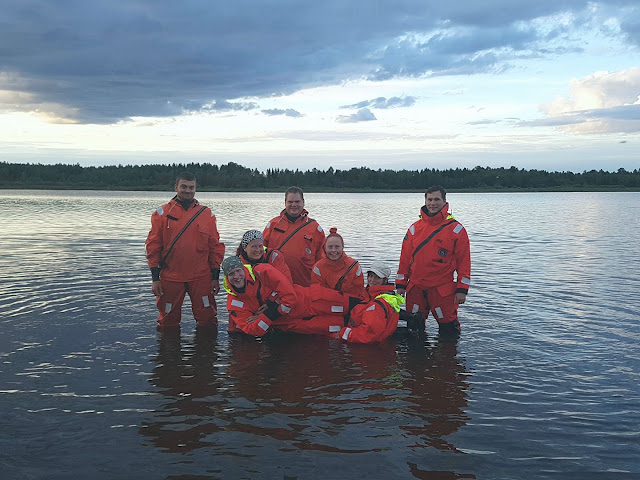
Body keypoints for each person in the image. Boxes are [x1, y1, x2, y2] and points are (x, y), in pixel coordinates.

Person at [145, 172, 225, 329]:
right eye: (184, 187)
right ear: (176, 187)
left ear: (195, 189)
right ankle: (168, 352)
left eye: (191, 187)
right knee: (167, 321)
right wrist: (155, 279)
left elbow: (215, 247)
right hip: (171, 277)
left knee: (207, 319)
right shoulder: (161, 214)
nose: (187, 191)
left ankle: (206, 352)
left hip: (201, 277)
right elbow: (153, 247)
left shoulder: (206, 214)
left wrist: (215, 277)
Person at [396, 185, 471, 336]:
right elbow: (404, 260)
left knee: (449, 332)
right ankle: (417, 358)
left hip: (442, 290)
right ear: (425, 201)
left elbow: (464, 263)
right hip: (416, 288)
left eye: (437, 199)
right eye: (429, 200)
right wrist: (400, 285)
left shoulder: (456, 230)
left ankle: (446, 359)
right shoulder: (414, 229)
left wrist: (462, 290)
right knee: (414, 330)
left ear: (444, 201)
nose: (432, 203)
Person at [221, 256, 352, 337]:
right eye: (231, 274)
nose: (237, 277)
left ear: (243, 269)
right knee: (332, 326)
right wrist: (270, 314)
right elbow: (253, 330)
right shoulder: (234, 304)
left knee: (348, 304)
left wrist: (268, 311)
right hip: (287, 322)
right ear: (227, 277)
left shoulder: (262, 271)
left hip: (306, 299)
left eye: (238, 271)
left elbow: (289, 295)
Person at [263, 186, 325, 287]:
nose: (294, 205)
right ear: (285, 203)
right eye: (290, 202)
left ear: (303, 202)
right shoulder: (274, 224)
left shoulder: (314, 228)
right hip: (275, 285)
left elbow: (322, 259)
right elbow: (260, 250)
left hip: (304, 284)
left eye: (297, 201)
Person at [311, 228, 368, 301]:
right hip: (326, 305)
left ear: (342, 247)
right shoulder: (318, 268)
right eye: (330, 247)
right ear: (325, 248)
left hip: (349, 304)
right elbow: (318, 293)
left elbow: (359, 292)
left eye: (337, 247)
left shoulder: (354, 266)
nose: (333, 250)